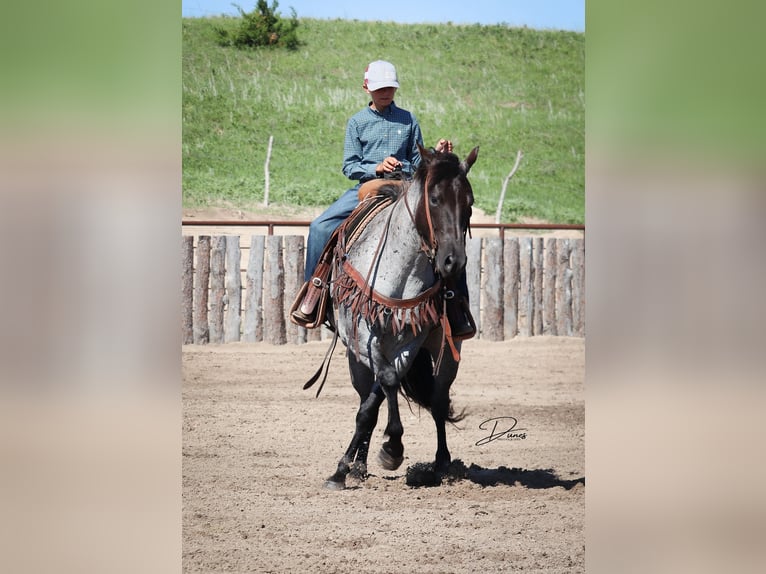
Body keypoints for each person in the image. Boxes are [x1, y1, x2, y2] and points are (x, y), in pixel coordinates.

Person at [292, 60, 474, 338]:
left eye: (390, 87)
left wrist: (435, 154)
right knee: (319, 226)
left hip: (405, 186)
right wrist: (376, 167)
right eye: (380, 88)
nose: (386, 92)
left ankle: (455, 301)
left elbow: (418, 164)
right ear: (366, 88)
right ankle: (315, 290)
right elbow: (349, 166)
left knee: (446, 229)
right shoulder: (357, 122)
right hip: (370, 186)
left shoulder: (409, 119)